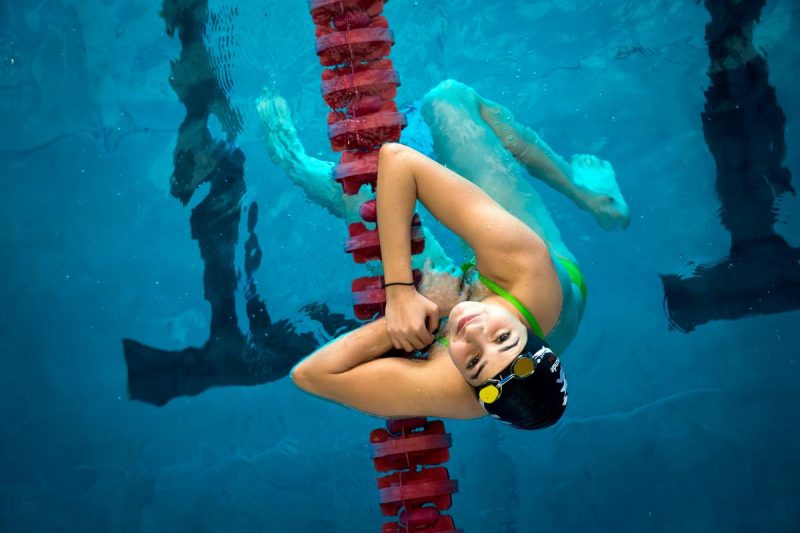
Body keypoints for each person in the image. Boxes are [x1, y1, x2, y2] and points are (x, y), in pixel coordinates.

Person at [258, 79, 630, 429]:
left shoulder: (459, 392)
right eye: (503, 339)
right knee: (447, 100)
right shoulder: (526, 264)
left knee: (359, 198)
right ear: (530, 334)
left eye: (472, 361)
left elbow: (310, 375)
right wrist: (400, 290)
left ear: (466, 380)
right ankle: (588, 194)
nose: (474, 331)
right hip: (535, 279)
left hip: (461, 304)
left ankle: (292, 160)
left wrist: (417, 317)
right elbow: (397, 160)